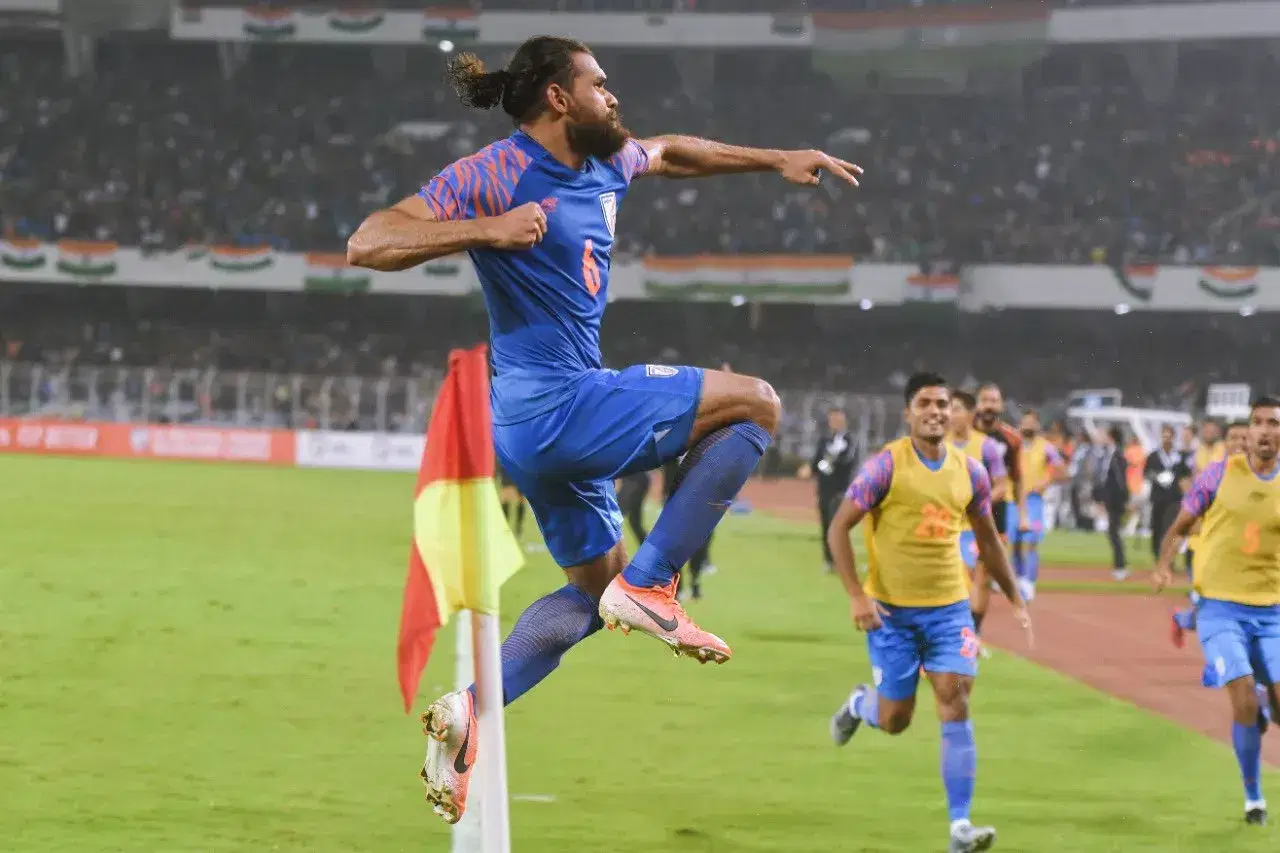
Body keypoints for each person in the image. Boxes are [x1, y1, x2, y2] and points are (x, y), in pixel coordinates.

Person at [346, 36, 862, 824]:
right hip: (557, 407)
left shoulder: (606, 160)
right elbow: (369, 240)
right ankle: (654, 585)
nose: (613, 94)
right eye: (599, 82)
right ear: (559, 96)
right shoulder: (496, 173)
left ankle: (471, 711)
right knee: (756, 403)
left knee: (591, 592)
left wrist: (775, 158)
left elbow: (674, 153)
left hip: (538, 430)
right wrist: (483, 230)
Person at [826, 372, 1031, 853]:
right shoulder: (886, 467)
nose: (936, 411)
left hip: (949, 612)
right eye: (925, 403)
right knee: (896, 718)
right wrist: (857, 595)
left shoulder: (971, 472)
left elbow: (989, 542)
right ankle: (861, 704)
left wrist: (1016, 598)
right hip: (891, 615)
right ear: (909, 413)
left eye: (942, 403)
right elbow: (839, 530)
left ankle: (960, 827)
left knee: (955, 696)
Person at [1153, 398, 1280, 827]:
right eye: (1257, 423)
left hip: (1272, 613)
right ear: (1249, 430)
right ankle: (1253, 798)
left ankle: (1267, 707)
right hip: (1220, 609)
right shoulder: (1219, 473)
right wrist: (1164, 563)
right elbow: (1180, 524)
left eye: (1273, 424)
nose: (1264, 431)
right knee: (1242, 692)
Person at [1172, 419, 1248, 647]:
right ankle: (1183, 620)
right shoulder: (1215, 472)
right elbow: (1189, 516)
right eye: (1233, 438)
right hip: (1206, 550)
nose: (1239, 443)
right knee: (1211, 610)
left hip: (1244, 554)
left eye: (1244, 438)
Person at [948, 389, 1009, 634]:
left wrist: (977, 503)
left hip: (977, 526)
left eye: (957, 409)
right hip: (946, 524)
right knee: (954, 579)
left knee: (978, 578)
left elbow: (1002, 486)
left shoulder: (987, 447)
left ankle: (972, 632)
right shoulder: (940, 444)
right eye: (949, 409)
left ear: (970, 414)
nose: (951, 415)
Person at [1013, 409, 1066, 602]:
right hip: (1014, 500)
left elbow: (1061, 469)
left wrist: (1047, 481)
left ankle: (1029, 582)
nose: (1028, 426)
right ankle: (1019, 578)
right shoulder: (1013, 443)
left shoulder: (1045, 447)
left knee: (1032, 542)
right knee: (1016, 543)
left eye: (1031, 422)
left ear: (1037, 425)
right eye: (1025, 422)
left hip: (1034, 501)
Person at [800, 406, 858, 572]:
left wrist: (827, 463)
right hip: (824, 489)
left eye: (838, 419)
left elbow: (848, 461)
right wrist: (810, 469)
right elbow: (816, 461)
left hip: (841, 490)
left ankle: (842, 561)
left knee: (838, 526)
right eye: (833, 419)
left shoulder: (850, 440)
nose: (835, 422)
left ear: (844, 420)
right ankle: (829, 561)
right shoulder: (824, 440)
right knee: (825, 525)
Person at [972, 383, 1024, 550]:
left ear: (1001, 405)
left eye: (994, 401)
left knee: (992, 560)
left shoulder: (1011, 438)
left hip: (997, 507)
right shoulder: (962, 433)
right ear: (976, 404)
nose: (989, 405)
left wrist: (1023, 515)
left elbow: (1017, 478)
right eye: (984, 400)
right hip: (964, 503)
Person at [1093, 425, 1130, 581]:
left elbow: (1121, 480)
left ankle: (1121, 566)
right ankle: (1119, 564)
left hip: (1116, 500)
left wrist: (1125, 499)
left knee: (1113, 532)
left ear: (1110, 437)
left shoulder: (1117, 455)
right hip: (1110, 499)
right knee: (1112, 532)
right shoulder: (1106, 454)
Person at [616, 470, 650, 544]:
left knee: (613, 517)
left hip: (634, 481)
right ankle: (647, 548)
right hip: (639, 480)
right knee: (634, 522)